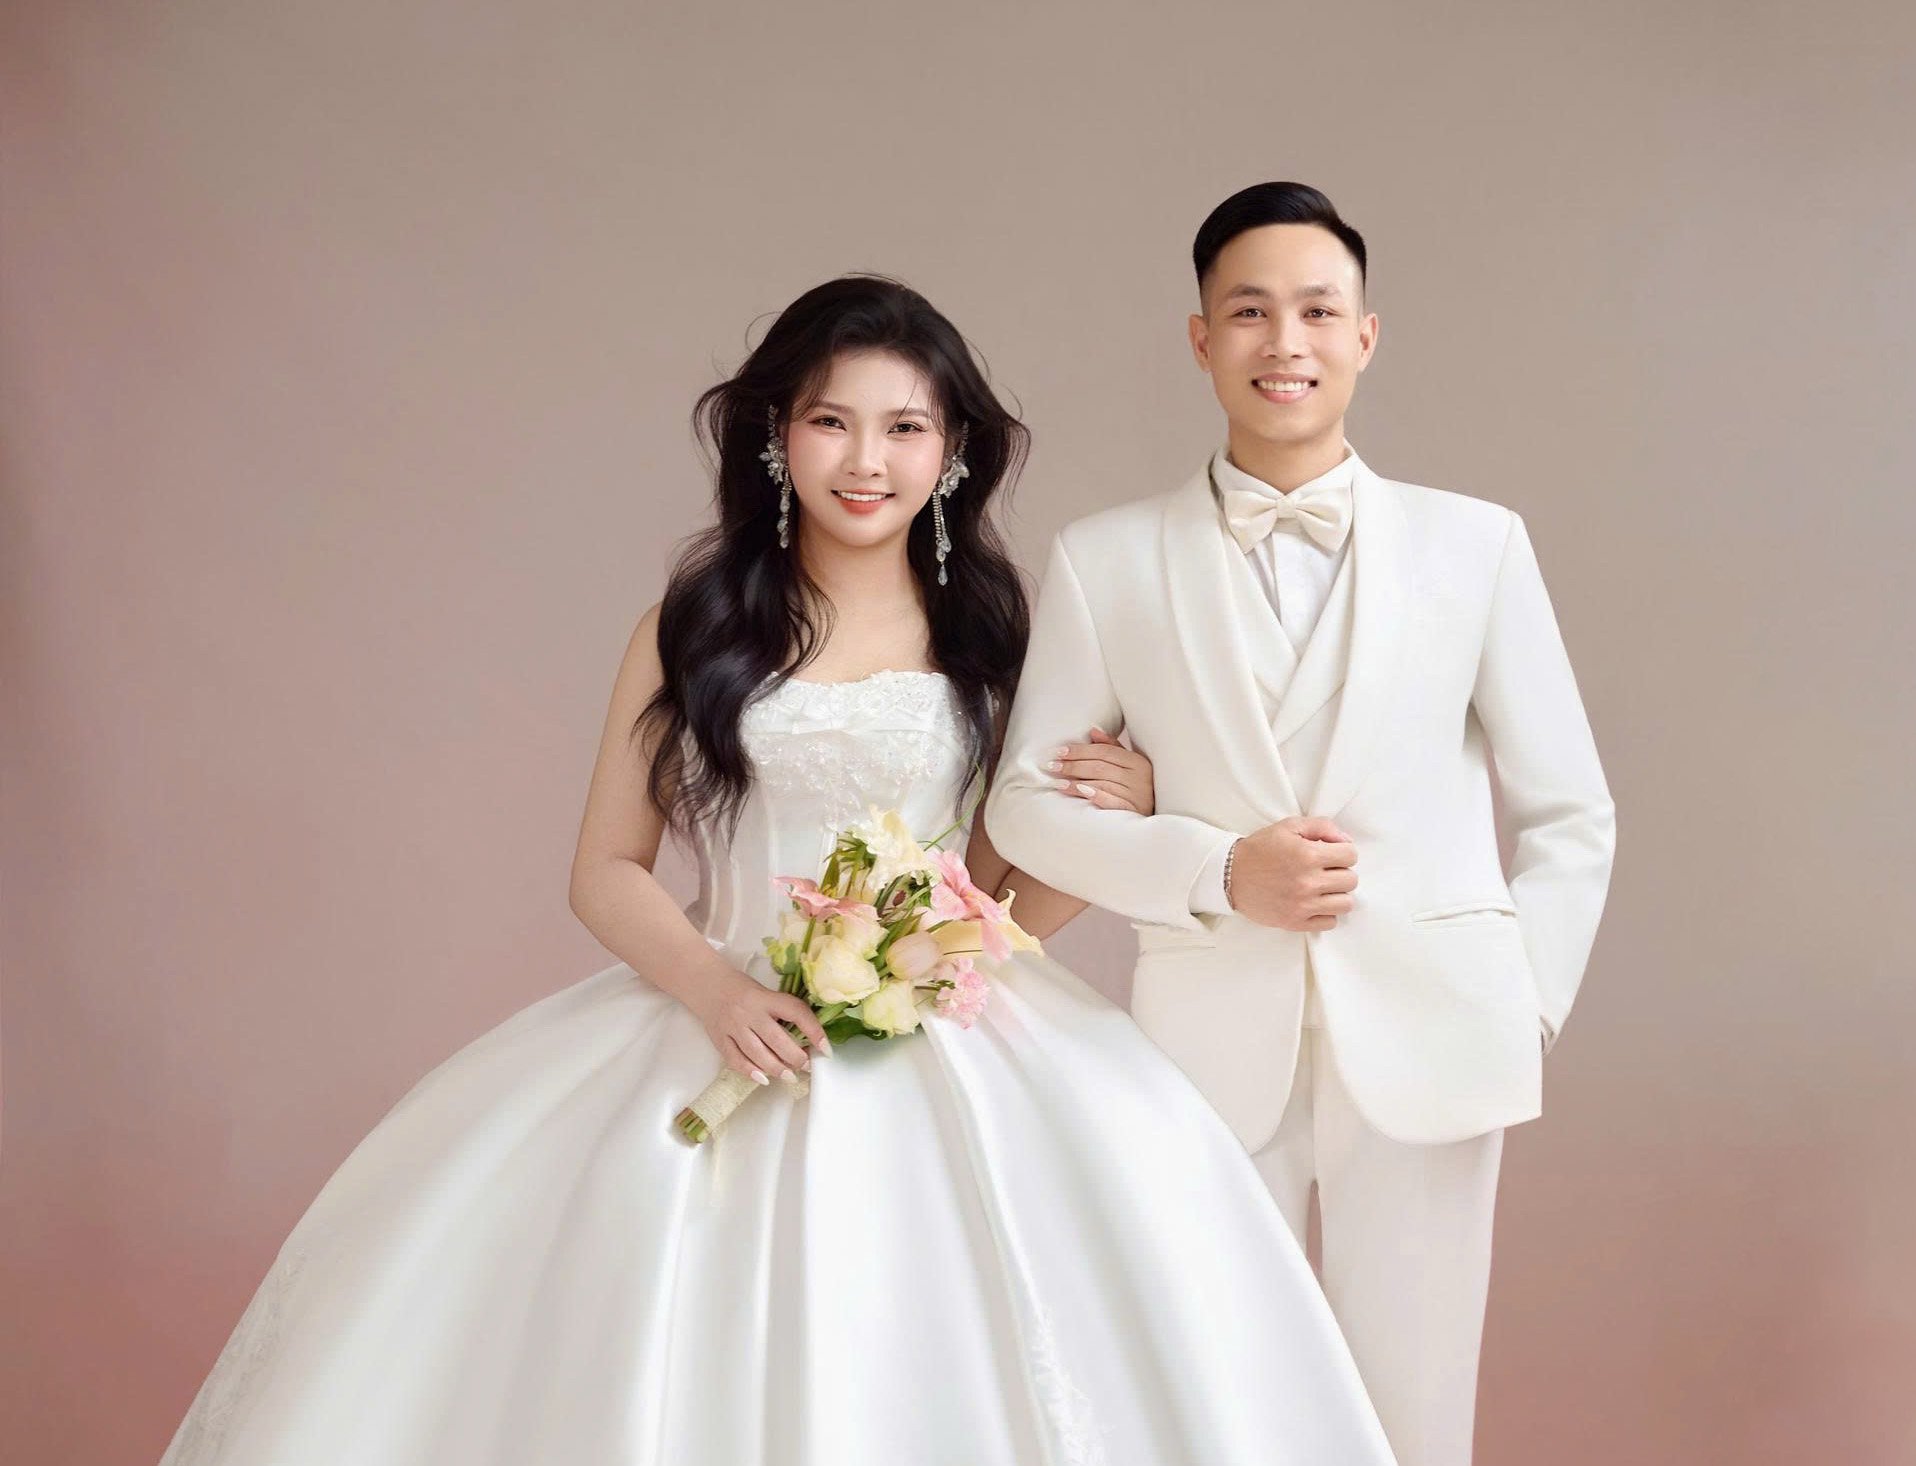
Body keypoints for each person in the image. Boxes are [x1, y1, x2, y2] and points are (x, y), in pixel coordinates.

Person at [156, 274, 1398, 1465]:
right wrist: (720, 992)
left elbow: (996, 897)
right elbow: (605, 869)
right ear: (776, 436)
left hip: (960, 1034)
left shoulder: (996, 633)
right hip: (720, 1013)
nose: (868, 460)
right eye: (831, 421)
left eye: (905, 427)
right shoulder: (693, 624)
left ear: (952, 451)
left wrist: (1119, 816)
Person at [984, 183, 1619, 1465]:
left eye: (1319, 311)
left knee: (1415, 1417)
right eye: (1250, 312)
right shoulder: (1110, 558)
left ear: (1365, 336)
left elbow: (1571, 809)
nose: (1287, 342)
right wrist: (1217, 867)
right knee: (1224, 1407)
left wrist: (1525, 1001)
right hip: (1207, 1043)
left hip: (1438, 1029)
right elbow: (1022, 808)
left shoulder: (1477, 545)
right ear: (1200, 338)